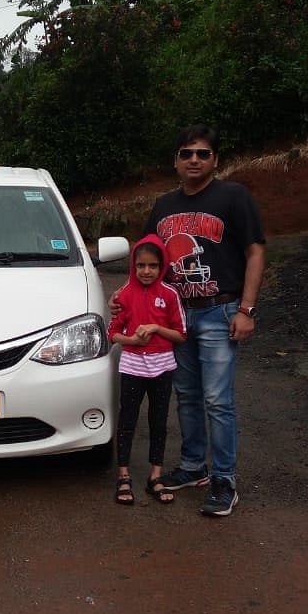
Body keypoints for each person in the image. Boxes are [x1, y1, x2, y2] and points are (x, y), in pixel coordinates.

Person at [142, 126, 266, 516]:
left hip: (219, 310)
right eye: (186, 153)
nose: (193, 159)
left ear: (216, 160)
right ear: (175, 161)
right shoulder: (162, 205)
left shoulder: (233, 196)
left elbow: (255, 252)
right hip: (177, 317)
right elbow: (146, 259)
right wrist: (130, 302)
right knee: (188, 396)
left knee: (217, 400)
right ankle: (194, 466)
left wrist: (246, 310)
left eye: (202, 153)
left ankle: (224, 480)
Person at [108, 237, 186, 506]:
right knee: (127, 420)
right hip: (132, 366)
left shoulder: (169, 294)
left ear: (161, 266)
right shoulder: (123, 295)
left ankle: (156, 475)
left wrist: (155, 329)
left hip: (162, 366)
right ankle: (123, 475)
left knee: (158, 422)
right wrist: (131, 341)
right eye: (140, 265)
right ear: (133, 265)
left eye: (153, 265)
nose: (146, 271)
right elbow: (113, 332)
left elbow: (181, 334)